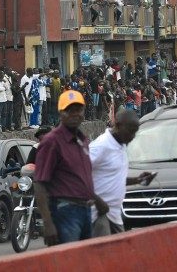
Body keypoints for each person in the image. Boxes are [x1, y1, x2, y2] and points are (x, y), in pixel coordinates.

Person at [34, 90, 109, 245]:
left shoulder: (83, 140)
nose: (75, 114)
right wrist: (48, 224)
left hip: (85, 209)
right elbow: (40, 184)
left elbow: (79, 179)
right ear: (61, 113)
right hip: (65, 211)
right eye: (70, 110)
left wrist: (97, 200)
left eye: (78, 110)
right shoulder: (51, 142)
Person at [90, 109, 155, 237]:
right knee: (105, 253)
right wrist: (97, 200)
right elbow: (79, 176)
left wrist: (138, 180)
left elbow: (114, 178)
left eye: (135, 132)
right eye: (131, 131)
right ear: (118, 126)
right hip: (99, 213)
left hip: (115, 213)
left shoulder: (121, 145)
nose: (133, 137)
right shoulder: (101, 146)